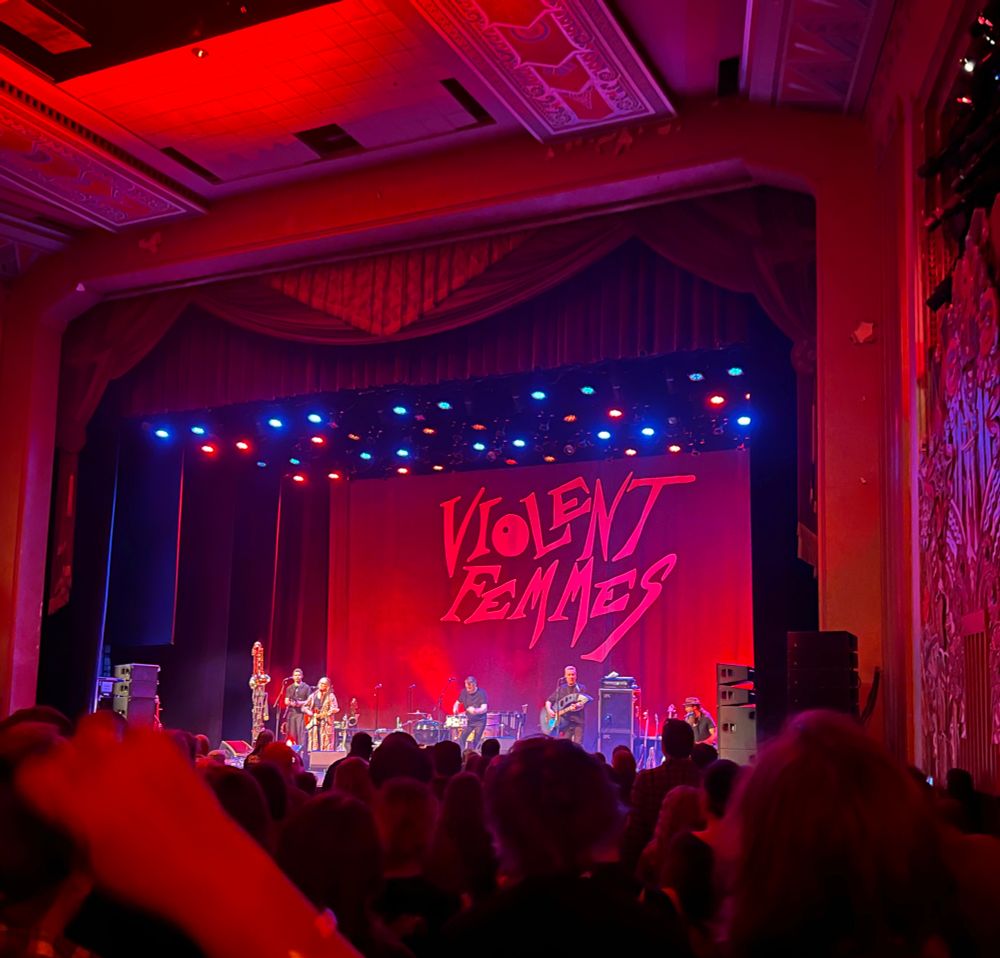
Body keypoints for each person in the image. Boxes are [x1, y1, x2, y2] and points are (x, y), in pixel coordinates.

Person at [621, 718, 701, 874]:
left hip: (653, 864)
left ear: (663, 747)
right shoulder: (703, 780)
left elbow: (635, 829)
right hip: (695, 866)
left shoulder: (647, 779)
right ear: (692, 746)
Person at [544, 665, 591, 745]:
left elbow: (583, 702)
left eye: (573, 674)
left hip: (578, 722)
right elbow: (548, 701)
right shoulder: (561, 689)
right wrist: (549, 710)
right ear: (565, 676)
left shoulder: (581, 688)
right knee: (565, 746)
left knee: (577, 746)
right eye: (569, 675)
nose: (571, 677)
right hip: (565, 723)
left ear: (576, 676)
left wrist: (578, 706)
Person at [305, 676, 340, 753]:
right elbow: (305, 706)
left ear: (327, 686)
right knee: (314, 742)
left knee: (326, 742)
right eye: (320, 683)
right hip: (314, 723)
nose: (321, 685)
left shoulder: (331, 696)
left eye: (323, 684)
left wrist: (324, 714)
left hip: (326, 723)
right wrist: (310, 713)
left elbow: (335, 708)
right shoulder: (313, 695)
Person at [453, 677, 488, 750]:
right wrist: (455, 708)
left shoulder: (481, 693)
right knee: (462, 738)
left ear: (475, 684)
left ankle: (475, 756)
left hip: (480, 721)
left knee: (476, 740)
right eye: (467, 687)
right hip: (469, 721)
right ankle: (462, 755)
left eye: (470, 687)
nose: (468, 689)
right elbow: (458, 702)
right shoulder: (464, 692)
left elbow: (484, 708)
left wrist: (475, 711)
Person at [284, 668, 311, 749]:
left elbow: (309, 701)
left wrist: (300, 703)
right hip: (291, 713)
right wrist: (290, 703)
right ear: (293, 676)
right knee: (292, 733)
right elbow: (286, 700)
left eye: (299, 675)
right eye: (295, 675)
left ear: (302, 676)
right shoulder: (289, 688)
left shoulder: (306, 687)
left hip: (301, 714)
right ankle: (292, 750)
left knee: (300, 733)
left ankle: (301, 752)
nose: (297, 677)